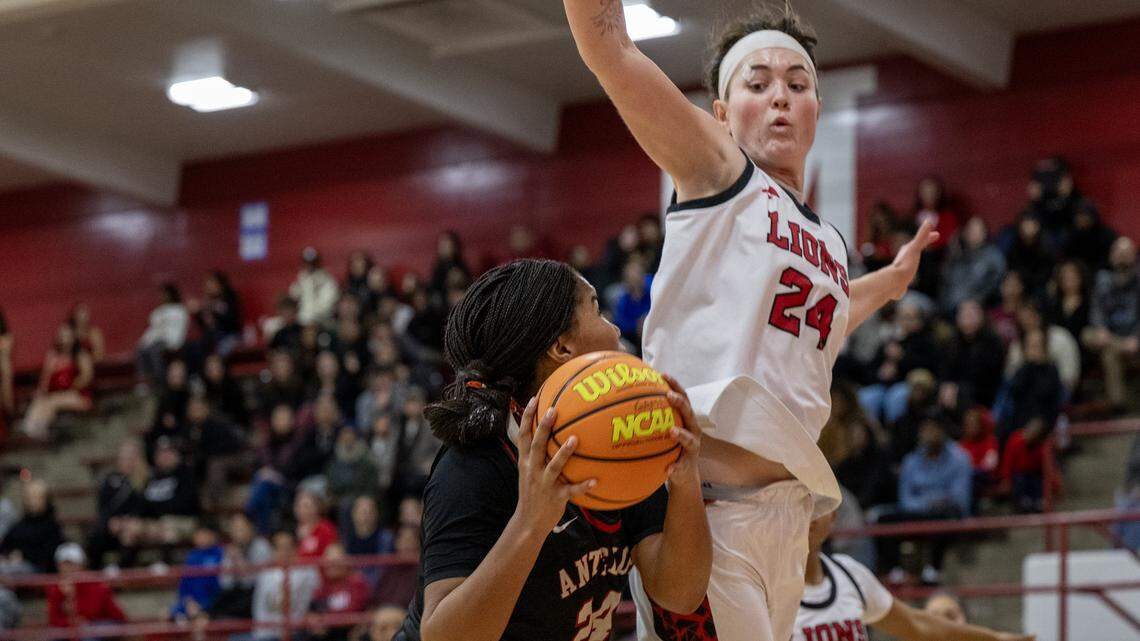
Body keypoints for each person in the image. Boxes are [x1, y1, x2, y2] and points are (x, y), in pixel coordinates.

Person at [563, 4, 938, 639]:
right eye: (757, 84)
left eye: (798, 84)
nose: (780, 99)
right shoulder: (719, 172)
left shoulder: (825, 238)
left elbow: (826, 322)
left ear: (818, 107)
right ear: (720, 113)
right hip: (703, 515)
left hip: (785, 520)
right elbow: (612, 52)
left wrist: (893, 283)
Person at [394, 259, 710, 641]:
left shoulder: (623, 442)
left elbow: (678, 593)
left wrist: (685, 483)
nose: (615, 330)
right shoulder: (473, 466)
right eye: (597, 309)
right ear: (562, 346)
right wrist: (531, 523)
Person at [793, 512, 1032, 641]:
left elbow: (916, 624)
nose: (809, 515)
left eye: (817, 505)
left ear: (833, 516)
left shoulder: (849, 573)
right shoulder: (766, 588)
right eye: (798, 504)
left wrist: (993, 639)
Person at [873, 417, 972, 584]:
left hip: (945, 515)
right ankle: (896, 571)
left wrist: (931, 503)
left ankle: (933, 570)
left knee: (945, 517)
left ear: (943, 432)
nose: (930, 434)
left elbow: (958, 499)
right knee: (882, 520)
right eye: (926, 430)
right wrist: (930, 502)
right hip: (919, 512)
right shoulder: (911, 461)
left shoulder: (960, 458)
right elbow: (905, 500)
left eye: (934, 429)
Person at [1081, 236, 1140, 411]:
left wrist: (1136, 338)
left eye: (1126, 252)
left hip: (1132, 337)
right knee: (1087, 334)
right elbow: (1096, 310)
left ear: (1134, 256)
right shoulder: (1102, 279)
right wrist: (1100, 329)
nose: (1122, 256)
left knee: (1109, 353)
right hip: (1109, 337)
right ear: (1111, 255)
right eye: (1118, 252)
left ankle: (1118, 403)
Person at [21, 323, 94, 439]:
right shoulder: (53, 356)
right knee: (40, 400)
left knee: (52, 401)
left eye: (67, 336)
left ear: (74, 337)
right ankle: (30, 427)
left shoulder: (81, 356)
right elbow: (45, 379)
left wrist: (68, 387)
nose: (65, 339)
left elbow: (86, 378)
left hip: (77, 395)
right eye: (62, 336)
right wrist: (42, 391)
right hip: (56, 394)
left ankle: (40, 427)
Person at [248, 529, 320, 641]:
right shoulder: (264, 575)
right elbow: (258, 608)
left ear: (296, 548)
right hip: (266, 635)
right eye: (279, 548)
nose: (284, 552)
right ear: (273, 551)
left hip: (296, 633)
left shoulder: (308, 572)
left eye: (288, 547)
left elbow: (316, 600)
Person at [86, 441, 148, 570]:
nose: (127, 462)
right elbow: (103, 505)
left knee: (130, 534)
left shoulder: (144, 480)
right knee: (96, 534)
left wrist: (129, 520)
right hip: (112, 522)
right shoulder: (110, 479)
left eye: (131, 458)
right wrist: (112, 520)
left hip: (134, 522)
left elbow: (144, 506)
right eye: (124, 458)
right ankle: (96, 569)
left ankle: (123, 570)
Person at [46, 543, 127, 638]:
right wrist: (72, 621)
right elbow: (54, 620)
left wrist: (74, 606)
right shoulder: (55, 588)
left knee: (87, 634)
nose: (67, 568)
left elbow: (113, 615)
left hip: (101, 623)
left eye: (72, 564)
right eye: (64, 564)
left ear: (82, 565)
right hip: (76, 627)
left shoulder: (95, 584)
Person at [940, 300, 1007, 410]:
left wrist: (958, 388)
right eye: (964, 315)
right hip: (957, 390)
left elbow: (987, 377)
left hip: (983, 393)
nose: (968, 319)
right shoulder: (953, 342)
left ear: (982, 317)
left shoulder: (992, 343)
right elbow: (946, 369)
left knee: (962, 395)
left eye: (972, 315)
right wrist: (946, 385)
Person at [939, 217, 1006, 315]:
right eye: (970, 229)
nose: (973, 233)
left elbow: (996, 284)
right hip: (950, 306)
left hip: (977, 306)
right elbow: (945, 280)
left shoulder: (993, 256)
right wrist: (953, 254)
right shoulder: (957, 254)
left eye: (977, 230)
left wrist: (976, 301)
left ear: (985, 232)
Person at [307, 543, 372, 641]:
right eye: (328, 561)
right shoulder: (323, 585)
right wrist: (314, 620)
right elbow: (313, 608)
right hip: (326, 633)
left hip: (349, 632)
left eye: (335, 561)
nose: (331, 565)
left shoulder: (357, 582)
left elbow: (354, 611)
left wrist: (324, 620)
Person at [0, 479, 64, 574]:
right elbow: (6, 544)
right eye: (28, 497)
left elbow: (49, 555)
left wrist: (23, 556)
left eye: (36, 497)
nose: (31, 501)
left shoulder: (52, 527)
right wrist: (9, 556)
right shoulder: (20, 525)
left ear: (46, 499)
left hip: (37, 571)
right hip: (13, 567)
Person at [137, 283, 190, 387]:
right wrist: (144, 342)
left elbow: (178, 331)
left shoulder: (179, 310)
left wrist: (174, 342)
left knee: (154, 350)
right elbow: (153, 330)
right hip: (156, 340)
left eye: (164, 294)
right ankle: (144, 382)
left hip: (170, 341)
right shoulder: (158, 312)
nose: (162, 296)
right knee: (141, 350)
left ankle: (160, 380)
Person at [171, 521, 225, 622]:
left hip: (211, 605)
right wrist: (187, 602)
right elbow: (183, 586)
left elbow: (220, 586)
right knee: (167, 616)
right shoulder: (191, 557)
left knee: (200, 621)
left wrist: (203, 606)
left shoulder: (221, 554)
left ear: (212, 535)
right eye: (198, 534)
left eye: (203, 534)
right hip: (189, 603)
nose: (199, 537)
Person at [291, 247, 341, 328]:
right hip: (302, 322)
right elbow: (293, 295)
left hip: (321, 323)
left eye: (312, 263)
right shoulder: (302, 279)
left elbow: (327, 307)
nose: (309, 266)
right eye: (307, 262)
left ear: (318, 262)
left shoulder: (327, 281)